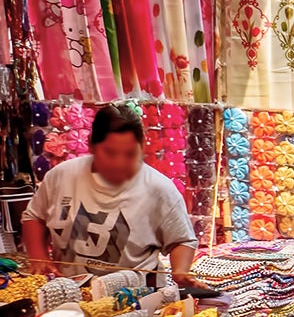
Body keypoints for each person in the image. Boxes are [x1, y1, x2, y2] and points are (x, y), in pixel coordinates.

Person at [22, 103, 197, 284]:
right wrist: (39, 258)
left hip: (136, 298)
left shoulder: (159, 189)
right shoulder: (62, 176)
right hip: (70, 292)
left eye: (130, 154)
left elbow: (181, 240)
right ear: (91, 144)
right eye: (110, 153)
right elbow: (35, 216)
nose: (119, 163)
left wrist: (179, 271)